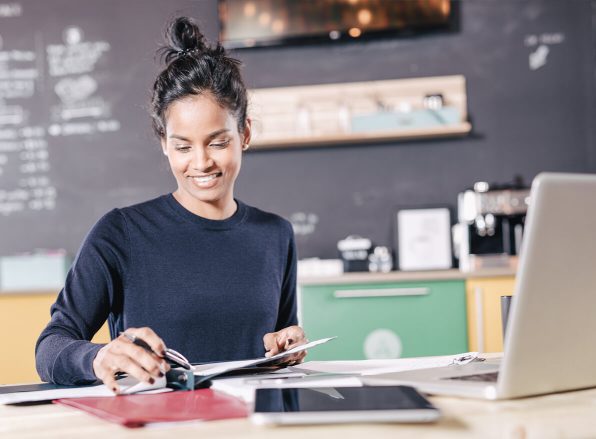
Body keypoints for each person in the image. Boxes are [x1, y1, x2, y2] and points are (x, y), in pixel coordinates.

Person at [35, 17, 306, 392]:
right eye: (182, 146)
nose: (201, 163)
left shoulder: (276, 235)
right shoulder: (120, 233)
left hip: (249, 426)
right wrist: (99, 357)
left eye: (217, 142)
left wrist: (286, 346)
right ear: (164, 143)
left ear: (244, 133)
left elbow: (277, 344)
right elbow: (50, 348)